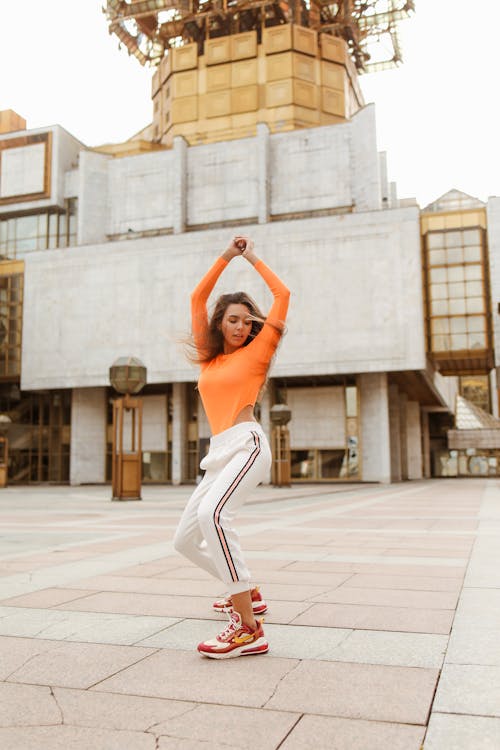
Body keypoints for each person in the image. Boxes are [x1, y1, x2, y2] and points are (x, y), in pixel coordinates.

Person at [173, 235, 290, 659]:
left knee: (213, 515)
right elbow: (198, 295)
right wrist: (226, 256)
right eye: (233, 320)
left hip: (247, 444)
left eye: (247, 320)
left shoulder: (260, 352)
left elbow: (283, 294)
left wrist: (252, 257)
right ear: (220, 322)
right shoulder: (209, 358)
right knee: (184, 540)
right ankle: (247, 588)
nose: (241, 327)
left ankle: (247, 626)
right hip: (219, 451)